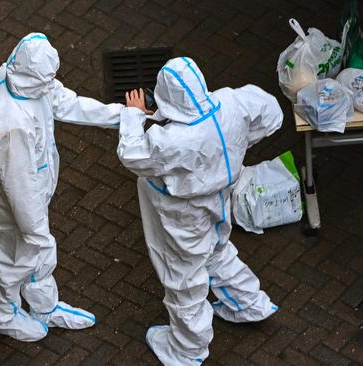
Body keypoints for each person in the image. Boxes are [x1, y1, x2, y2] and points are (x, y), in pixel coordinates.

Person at [118, 57, 282, 365]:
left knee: (184, 275)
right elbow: (272, 114)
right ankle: (248, 303)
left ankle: (187, 349)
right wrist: (240, 143)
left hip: (184, 214)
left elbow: (132, 155)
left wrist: (133, 116)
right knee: (217, 250)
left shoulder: (171, 140)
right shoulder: (231, 101)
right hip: (220, 198)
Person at [0, 33, 123, 342]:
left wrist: (121, 116)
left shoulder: (18, 76)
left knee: (31, 253)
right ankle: (1, 314)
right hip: (11, 202)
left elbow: (65, 101)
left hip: (28, 193)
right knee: (12, 256)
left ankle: (43, 307)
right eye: (48, 79)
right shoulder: (11, 124)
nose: (52, 84)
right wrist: (38, 232)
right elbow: (20, 189)